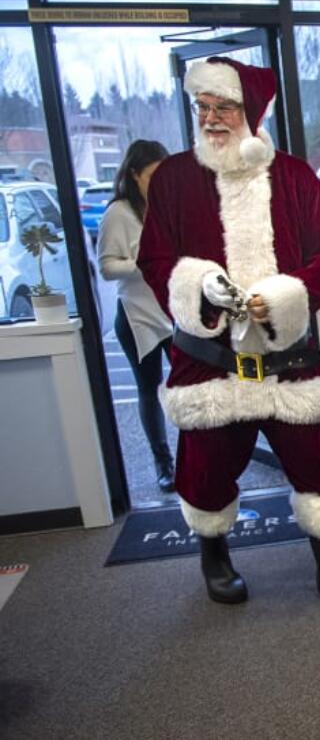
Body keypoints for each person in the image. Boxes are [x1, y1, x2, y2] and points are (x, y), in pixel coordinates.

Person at [137, 57, 320, 616]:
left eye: (224, 108)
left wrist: (284, 300)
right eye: (203, 108)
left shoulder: (294, 177)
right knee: (205, 467)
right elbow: (155, 259)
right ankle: (214, 556)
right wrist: (199, 288)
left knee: (316, 467)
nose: (212, 119)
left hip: (285, 357)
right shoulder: (172, 179)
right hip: (208, 361)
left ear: (252, 112)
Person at [98, 140, 175, 493]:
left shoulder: (164, 207)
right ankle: (163, 462)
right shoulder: (119, 213)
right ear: (133, 174)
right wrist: (143, 264)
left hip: (172, 311)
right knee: (149, 389)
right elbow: (107, 267)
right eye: (153, 176)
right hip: (136, 315)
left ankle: (201, 457)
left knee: (192, 384)